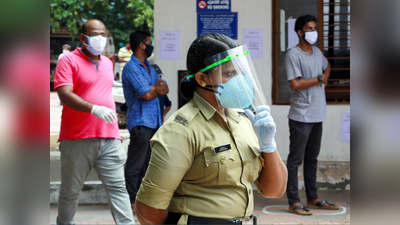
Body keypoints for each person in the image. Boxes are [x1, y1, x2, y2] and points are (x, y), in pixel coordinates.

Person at [134, 33, 288, 224]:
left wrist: (269, 146)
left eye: (239, 71)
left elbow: (274, 190)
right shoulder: (182, 129)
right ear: (202, 78)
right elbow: (148, 210)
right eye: (229, 73)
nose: (239, 80)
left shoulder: (244, 120)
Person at [54, 19, 135, 225]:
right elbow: (64, 93)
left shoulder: (107, 62)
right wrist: (93, 108)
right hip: (77, 138)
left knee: (118, 188)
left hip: (110, 137)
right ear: (83, 38)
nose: (100, 39)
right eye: (95, 35)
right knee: (71, 191)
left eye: (103, 35)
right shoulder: (68, 61)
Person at [284, 15, 338, 215]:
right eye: (309, 28)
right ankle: (294, 201)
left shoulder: (317, 52)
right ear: (300, 32)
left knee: (312, 158)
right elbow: (295, 84)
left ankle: (313, 198)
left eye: (315, 27)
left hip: (317, 113)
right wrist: (318, 79)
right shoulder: (293, 55)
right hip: (301, 116)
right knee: (295, 159)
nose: (313, 31)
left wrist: (324, 79)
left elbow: (327, 67)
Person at [122, 30, 169, 213]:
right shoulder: (132, 68)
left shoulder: (149, 66)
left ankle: (142, 200)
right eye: (149, 42)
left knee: (148, 165)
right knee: (136, 164)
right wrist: (152, 89)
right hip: (141, 123)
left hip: (154, 122)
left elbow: (164, 88)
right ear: (142, 45)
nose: (151, 46)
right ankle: (132, 201)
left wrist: (151, 87)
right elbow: (148, 95)